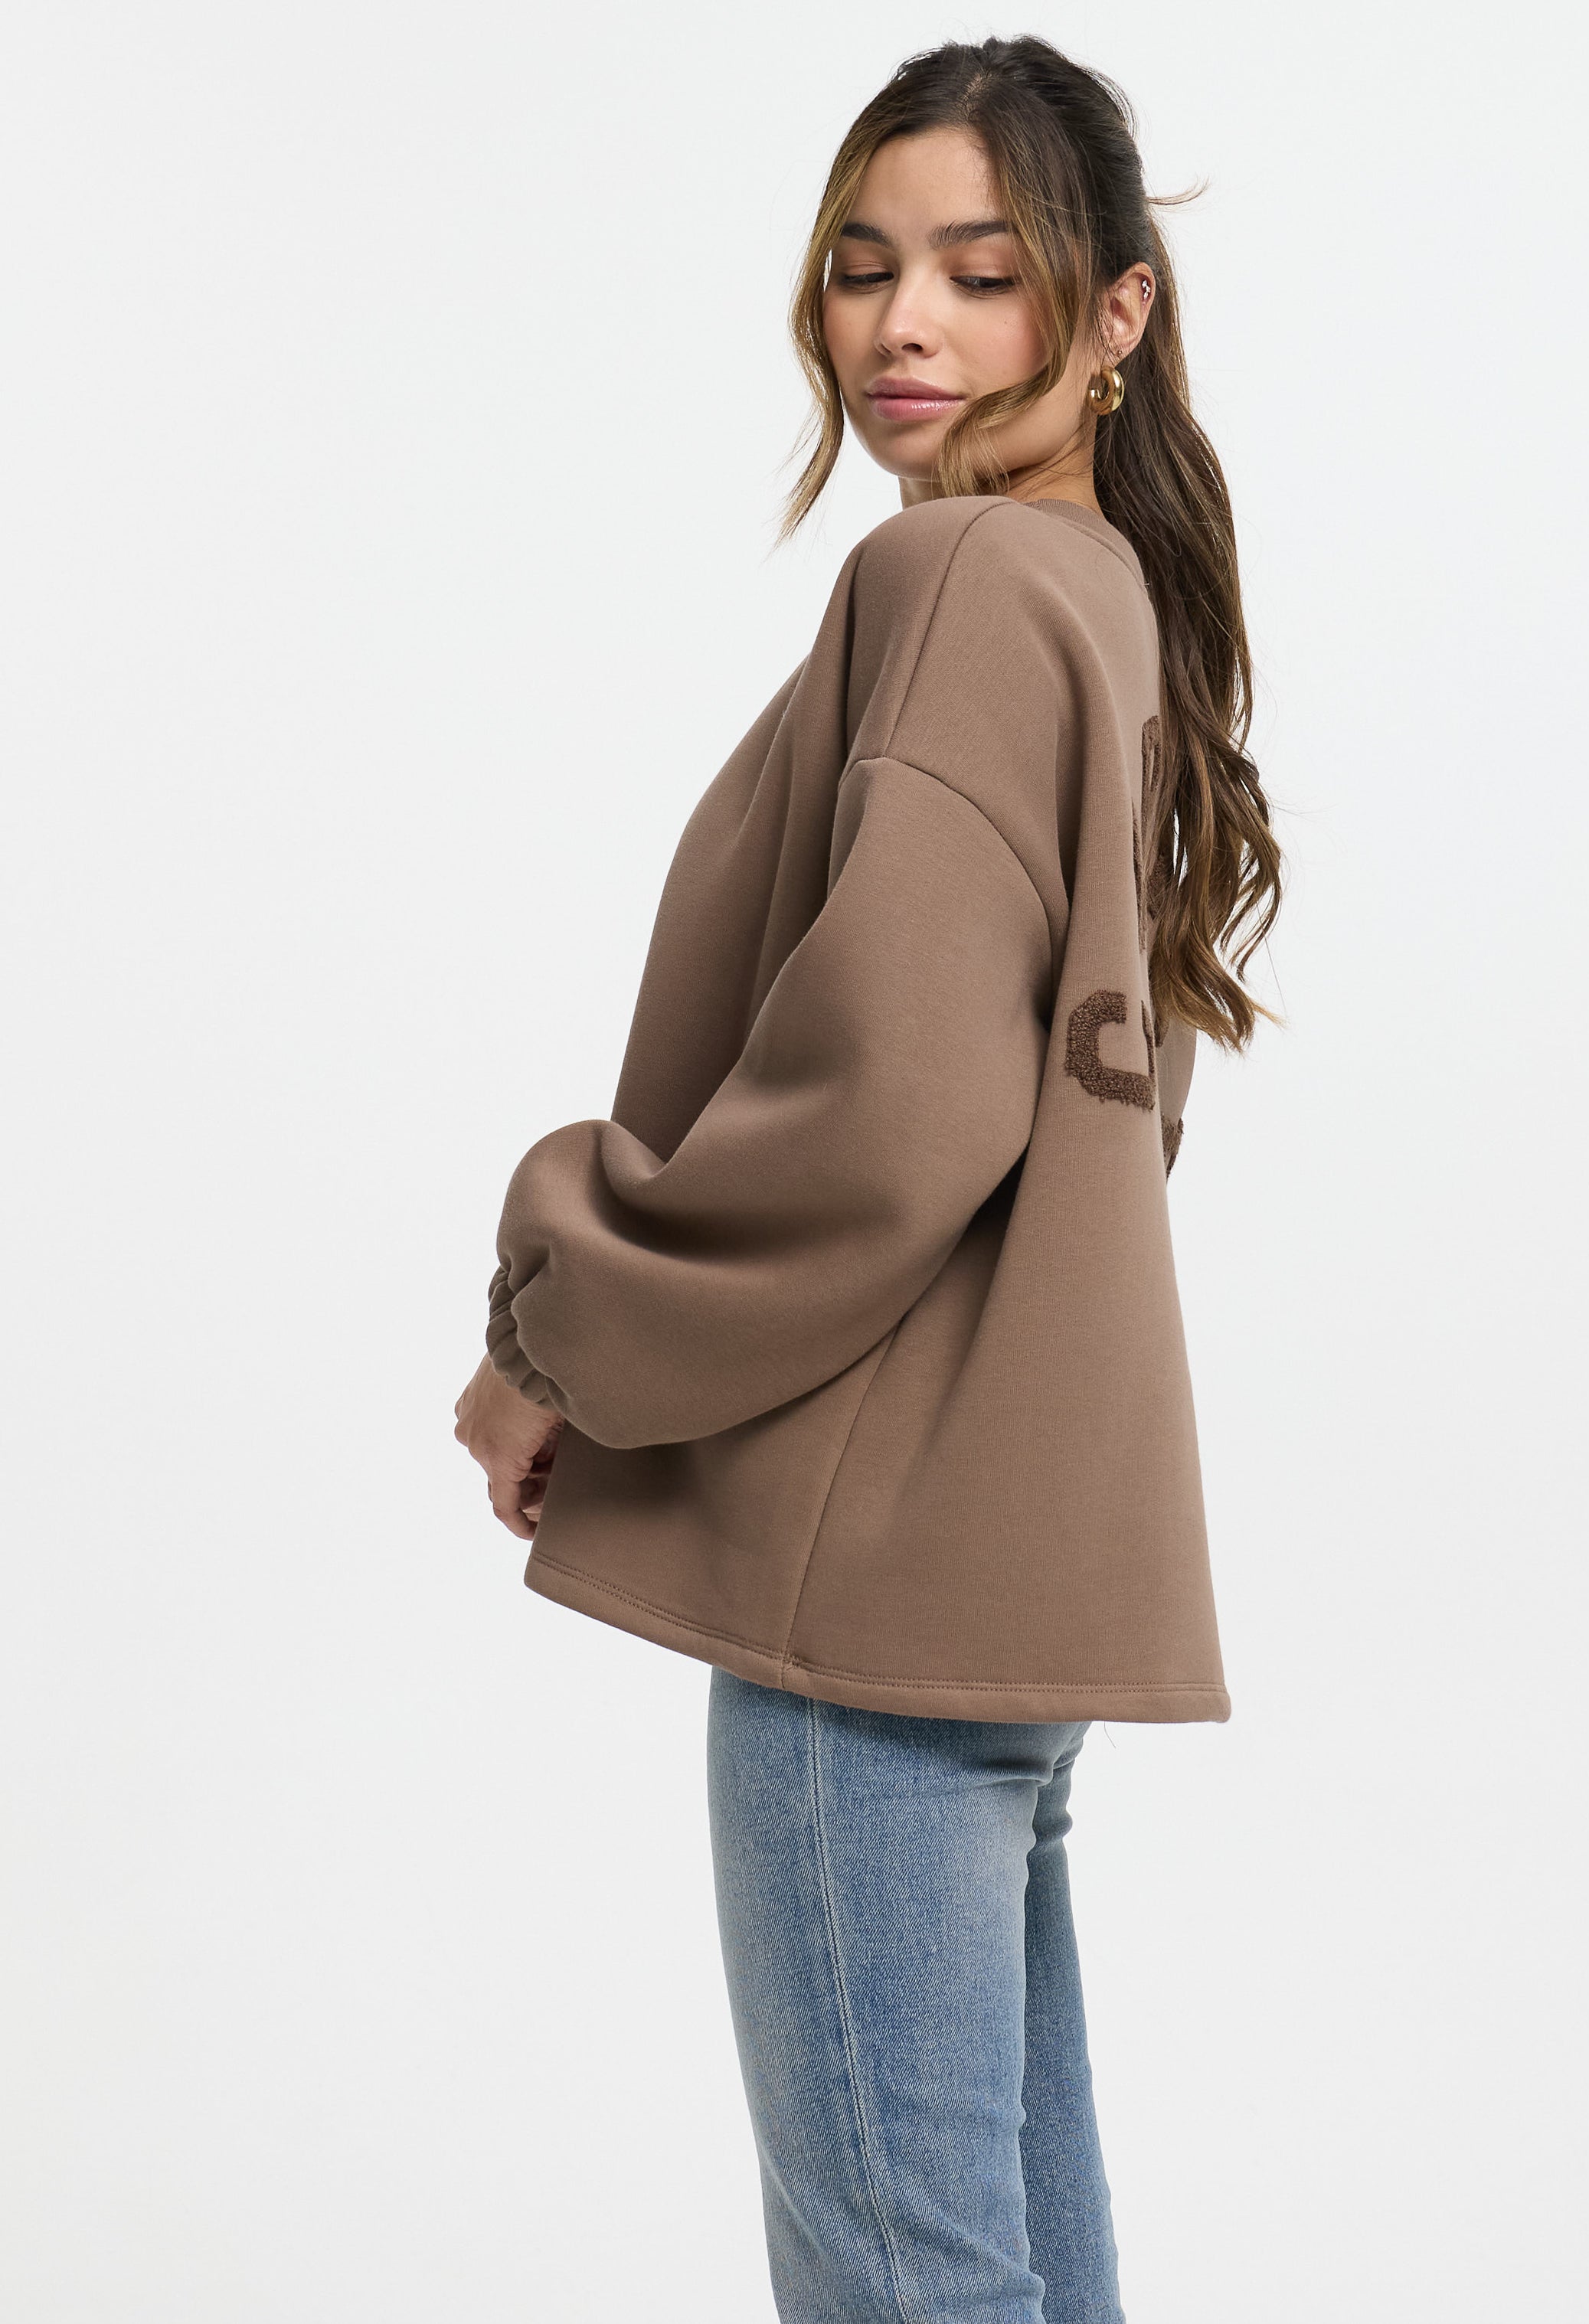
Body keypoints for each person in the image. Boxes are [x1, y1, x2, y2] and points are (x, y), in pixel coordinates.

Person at [454, 34, 1280, 2323]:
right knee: (1005, 2267)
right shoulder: (1109, 602)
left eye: (981, 276)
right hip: (1014, 1570)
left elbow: (879, 1110)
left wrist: (558, 1342)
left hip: (875, 1581)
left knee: (908, 2284)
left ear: (1114, 314)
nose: (902, 325)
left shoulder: (959, 584)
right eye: (861, 266)